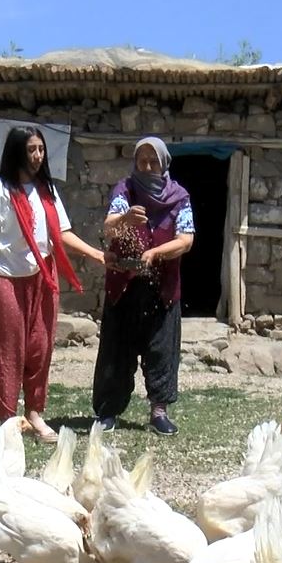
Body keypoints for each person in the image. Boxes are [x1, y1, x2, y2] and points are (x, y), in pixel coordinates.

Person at [0, 126, 107, 441]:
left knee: (40, 348)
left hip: (42, 279)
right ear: (17, 152)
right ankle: (8, 423)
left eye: (41, 150)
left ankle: (34, 415)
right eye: (31, 149)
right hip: (5, 279)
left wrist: (94, 253)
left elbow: (61, 233)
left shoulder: (48, 191)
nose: (37, 156)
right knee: (8, 352)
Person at [92, 136, 195, 436]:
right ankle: (108, 411)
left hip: (162, 288)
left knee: (161, 349)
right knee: (116, 350)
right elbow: (109, 227)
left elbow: (186, 240)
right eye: (142, 160)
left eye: (153, 161)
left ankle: (159, 412)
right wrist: (125, 218)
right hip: (124, 285)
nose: (147, 166)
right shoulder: (125, 190)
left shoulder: (179, 198)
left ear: (163, 163)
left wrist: (155, 253)